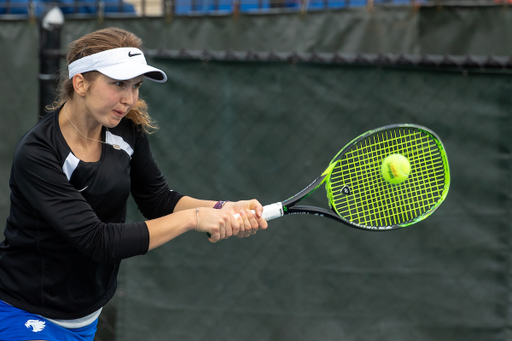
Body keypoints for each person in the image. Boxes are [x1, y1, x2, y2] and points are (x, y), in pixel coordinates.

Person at [0, 27, 268, 341]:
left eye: (136, 86)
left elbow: (158, 199)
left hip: (85, 316)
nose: (129, 99)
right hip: (24, 312)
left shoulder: (126, 130)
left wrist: (222, 208)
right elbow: (98, 241)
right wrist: (194, 219)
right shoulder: (38, 153)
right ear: (80, 82)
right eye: (118, 84)